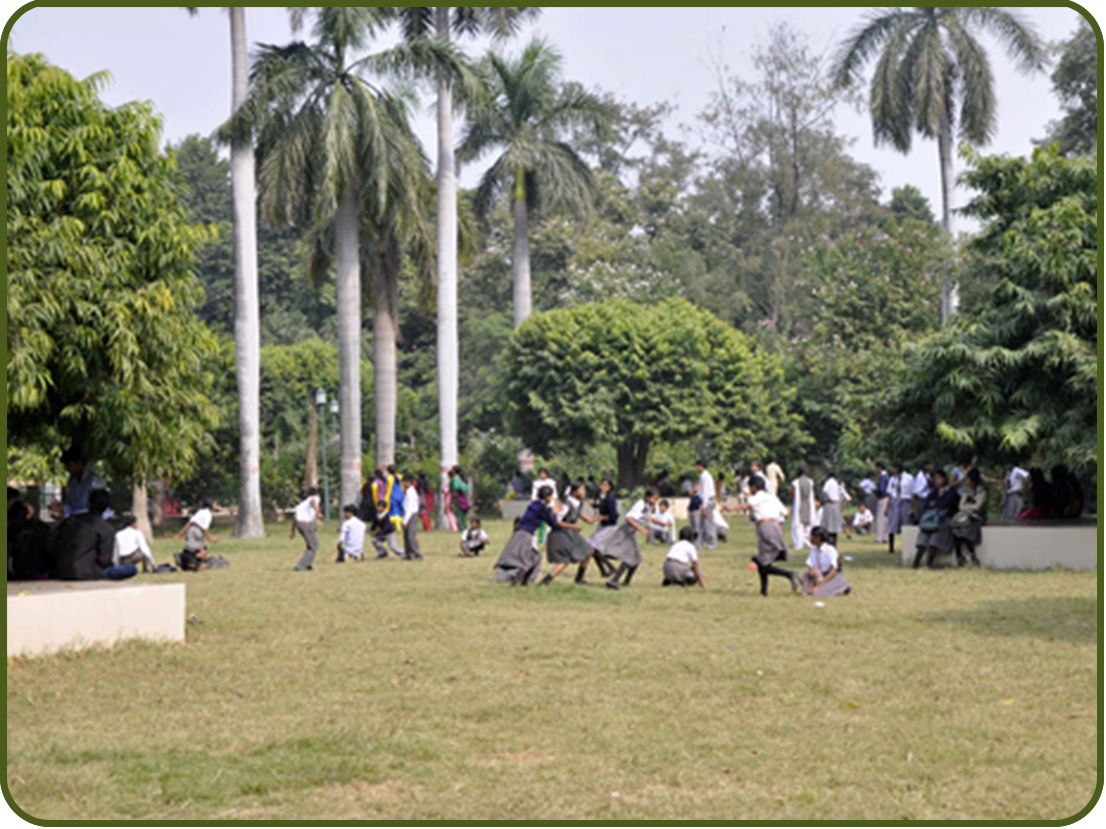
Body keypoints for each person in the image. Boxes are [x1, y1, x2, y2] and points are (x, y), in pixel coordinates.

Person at [724, 476, 798, 596]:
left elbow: (747, 506)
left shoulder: (758, 497)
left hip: (765, 527)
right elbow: (785, 513)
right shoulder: (771, 497)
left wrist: (731, 509)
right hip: (775, 526)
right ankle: (764, 590)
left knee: (762, 561)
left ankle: (788, 574)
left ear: (754, 487)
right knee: (764, 562)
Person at [53, 489, 135, 581]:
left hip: (62, 570)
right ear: (107, 507)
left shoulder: (72, 521)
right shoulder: (106, 529)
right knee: (131, 568)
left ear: (89, 503)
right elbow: (104, 560)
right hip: (88, 573)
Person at [494, 486, 564, 585]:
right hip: (525, 535)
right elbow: (553, 523)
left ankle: (524, 581)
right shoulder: (543, 508)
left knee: (536, 558)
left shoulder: (535, 504)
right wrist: (555, 513)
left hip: (520, 533)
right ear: (548, 496)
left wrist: (552, 511)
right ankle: (518, 578)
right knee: (526, 560)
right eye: (551, 496)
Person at [539, 479, 599, 586]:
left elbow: (577, 512)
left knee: (589, 552)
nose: (584, 491)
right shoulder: (566, 504)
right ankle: (544, 582)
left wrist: (589, 520)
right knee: (564, 561)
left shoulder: (578, 502)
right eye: (582, 489)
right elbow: (557, 522)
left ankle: (579, 579)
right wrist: (574, 526)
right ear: (574, 492)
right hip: (560, 533)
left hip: (570, 533)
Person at [598, 488, 659, 591]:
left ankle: (626, 581)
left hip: (632, 531)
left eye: (657, 499)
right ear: (647, 497)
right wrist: (642, 529)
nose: (655, 501)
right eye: (654, 498)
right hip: (627, 530)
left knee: (637, 558)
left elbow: (647, 517)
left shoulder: (647, 506)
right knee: (629, 557)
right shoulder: (641, 504)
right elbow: (629, 518)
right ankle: (614, 580)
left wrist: (659, 523)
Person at [913, 470, 959, 569]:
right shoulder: (934, 492)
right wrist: (937, 505)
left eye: (938, 478)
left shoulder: (951, 492)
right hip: (930, 518)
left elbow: (947, 504)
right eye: (935, 479)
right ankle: (916, 562)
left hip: (943, 519)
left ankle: (930, 563)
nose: (936, 481)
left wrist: (936, 504)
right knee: (923, 537)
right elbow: (927, 505)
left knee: (935, 538)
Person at [800, 526, 852, 597]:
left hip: (830, 576)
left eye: (813, 537)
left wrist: (817, 586)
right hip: (819, 575)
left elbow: (832, 572)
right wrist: (812, 570)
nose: (811, 539)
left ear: (819, 538)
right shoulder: (813, 550)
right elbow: (811, 565)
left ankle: (842, 587)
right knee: (804, 576)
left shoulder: (830, 550)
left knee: (817, 592)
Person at [60, 446, 108, 518]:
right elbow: (70, 504)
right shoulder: (72, 482)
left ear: (79, 463)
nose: (67, 469)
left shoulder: (95, 481)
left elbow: (99, 507)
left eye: (70, 465)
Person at [952, 469, 987, 567]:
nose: (965, 481)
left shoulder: (982, 491)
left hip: (977, 517)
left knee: (966, 532)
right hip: (965, 516)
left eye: (967, 479)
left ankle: (973, 555)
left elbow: (978, 507)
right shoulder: (966, 491)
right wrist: (969, 507)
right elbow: (960, 506)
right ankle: (959, 556)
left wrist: (967, 507)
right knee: (956, 531)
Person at [587, 479, 618, 578]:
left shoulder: (610, 498)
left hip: (609, 526)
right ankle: (604, 571)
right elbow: (602, 507)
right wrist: (594, 505)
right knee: (591, 548)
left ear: (610, 487)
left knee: (594, 547)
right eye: (602, 485)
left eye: (606, 485)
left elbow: (614, 516)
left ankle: (610, 567)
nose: (603, 487)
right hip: (603, 525)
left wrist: (600, 517)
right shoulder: (602, 497)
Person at [290, 488, 323, 571]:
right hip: (306, 524)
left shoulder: (302, 504)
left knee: (310, 545)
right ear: (317, 494)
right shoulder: (315, 498)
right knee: (314, 545)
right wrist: (318, 514)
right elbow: (313, 502)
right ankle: (300, 566)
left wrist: (292, 531)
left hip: (299, 524)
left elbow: (295, 518)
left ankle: (308, 564)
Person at [178, 499, 218, 569]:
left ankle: (184, 560)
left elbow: (190, 522)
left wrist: (182, 532)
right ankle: (193, 562)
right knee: (203, 551)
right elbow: (204, 528)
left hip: (190, 531)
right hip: (197, 531)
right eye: (214, 503)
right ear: (210, 505)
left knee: (190, 549)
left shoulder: (200, 511)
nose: (216, 505)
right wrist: (210, 539)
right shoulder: (208, 514)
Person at [887, 462, 914, 554]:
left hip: (905, 501)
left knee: (906, 524)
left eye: (894, 469)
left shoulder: (909, 478)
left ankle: (907, 546)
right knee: (892, 524)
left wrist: (912, 506)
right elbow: (890, 493)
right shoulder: (892, 479)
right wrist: (887, 507)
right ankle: (891, 547)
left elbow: (913, 492)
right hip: (895, 501)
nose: (893, 471)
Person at [790, 466, 816, 551]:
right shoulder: (810, 481)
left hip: (799, 504)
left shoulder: (795, 482)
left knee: (798, 524)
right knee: (808, 524)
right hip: (808, 504)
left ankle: (799, 543)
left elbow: (792, 493)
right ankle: (808, 541)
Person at [401, 474, 423, 561]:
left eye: (405, 482)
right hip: (408, 514)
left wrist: (405, 521)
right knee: (406, 535)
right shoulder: (408, 491)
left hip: (411, 515)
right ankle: (408, 553)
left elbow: (409, 508)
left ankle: (417, 553)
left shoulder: (411, 492)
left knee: (411, 536)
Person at [820, 469, 844, 546]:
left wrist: (827, 499)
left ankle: (828, 541)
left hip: (830, 504)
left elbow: (824, 491)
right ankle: (834, 542)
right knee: (835, 525)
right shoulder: (836, 483)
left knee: (828, 524)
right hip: (836, 504)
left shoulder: (829, 482)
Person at [873, 462, 891, 544]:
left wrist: (875, 491)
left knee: (880, 518)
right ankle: (885, 537)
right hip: (887, 498)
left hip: (882, 498)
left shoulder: (882, 477)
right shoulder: (887, 477)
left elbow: (881, 489)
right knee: (885, 519)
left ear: (880, 468)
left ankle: (879, 538)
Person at [686, 483, 702, 547]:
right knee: (691, 526)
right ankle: (691, 540)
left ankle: (698, 541)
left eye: (696, 486)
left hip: (696, 510)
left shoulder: (700, 494)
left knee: (697, 527)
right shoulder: (693, 494)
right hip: (691, 510)